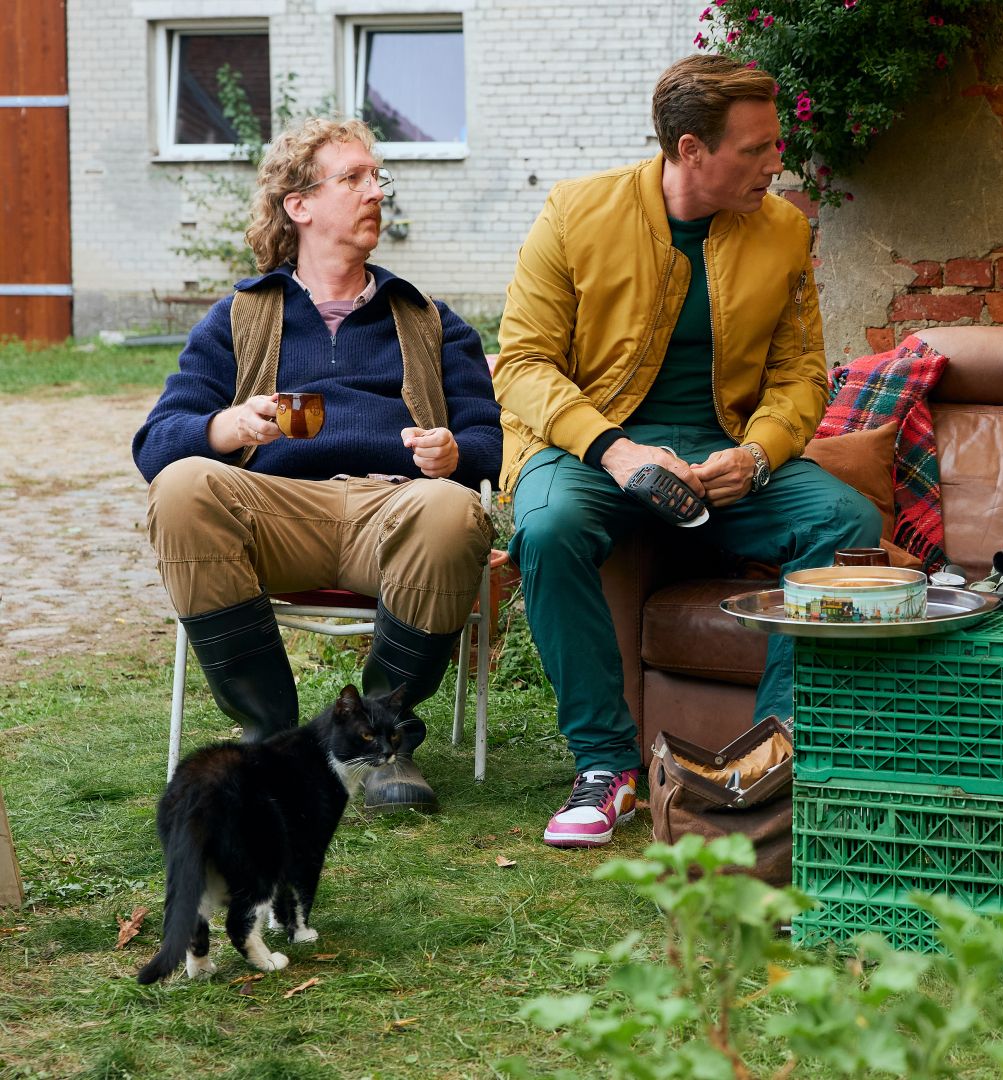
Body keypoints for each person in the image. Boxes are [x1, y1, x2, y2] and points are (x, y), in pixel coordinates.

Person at [495, 55, 879, 849]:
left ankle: (776, 759)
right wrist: (616, 452)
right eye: (756, 149)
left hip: (723, 458)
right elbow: (522, 363)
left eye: (778, 143)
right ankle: (606, 768)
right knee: (546, 526)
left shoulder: (783, 229)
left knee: (846, 519)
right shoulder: (575, 213)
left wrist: (760, 455)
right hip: (590, 448)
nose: (778, 163)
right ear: (691, 149)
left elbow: (802, 374)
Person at [134, 118, 502, 814]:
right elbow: (156, 444)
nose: (376, 191)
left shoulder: (428, 318)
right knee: (183, 485)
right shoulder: (239, 318)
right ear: (298, 205)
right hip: (275, 510)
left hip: (395, 512)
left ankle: (386, 738)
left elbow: (488, 442)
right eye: (354, 178)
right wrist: (229, 425)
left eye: (377, 177)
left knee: (453, 506)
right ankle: (272, 735)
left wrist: (454, 451)